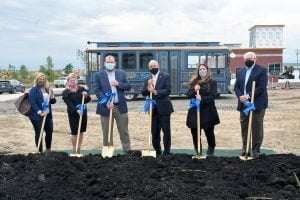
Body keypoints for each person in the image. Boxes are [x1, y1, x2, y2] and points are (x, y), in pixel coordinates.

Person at [94, 55, 131, 152]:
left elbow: (128, 86)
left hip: (120, 107)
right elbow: (97, 90)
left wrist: (119, 84)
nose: (110, 64)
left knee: (124, 132)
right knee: (106, 132)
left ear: (115, 63)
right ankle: (108, 151)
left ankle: (127, 151)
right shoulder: (98, 75)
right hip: (106, 108)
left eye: (111, 62)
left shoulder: (121, 73)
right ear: (104, 63)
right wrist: (106, 102)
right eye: (108, 62)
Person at [234, 52, 268, 158]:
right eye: (245, 59)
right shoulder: (240, 71)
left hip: (256, 103)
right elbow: (236, 87)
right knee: (244, 127)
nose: (247, 60)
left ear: (255, 59)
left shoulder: (261, 70)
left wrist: (248, 96)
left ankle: (255, 150)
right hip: (244, 104)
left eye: (249, 58)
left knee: (256, 127)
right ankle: (245, 149)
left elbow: (261, 87)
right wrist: (241, 96)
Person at [186, 64, 220, 156]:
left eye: (204, 69)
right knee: (195, 131)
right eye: (200, 69)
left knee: (209, 131)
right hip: (195, 110)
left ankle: (211, 148)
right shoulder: (194, 81)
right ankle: (198, 150)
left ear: (207, 70)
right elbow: (188, 94)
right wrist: (194, 90)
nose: (202, 70)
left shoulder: (212, 82)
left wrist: (202, 99)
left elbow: (213, 96)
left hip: (207, 111)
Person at [142, 60, 174, 155]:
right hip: (153, 109)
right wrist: (148, 86)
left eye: (154, 66)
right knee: (154, 132)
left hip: (164, 108)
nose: (153, 68)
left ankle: (167, 151)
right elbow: (143, 93)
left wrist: (156, 92)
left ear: (158, 66)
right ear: (149, 68)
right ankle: (157, 150)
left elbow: (168, 90)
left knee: (166, 131)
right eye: (151, 66)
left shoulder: (165, 76)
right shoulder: (147, 78)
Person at [62, 73, 91, 153]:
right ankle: (74, 148)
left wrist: (86, 95)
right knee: (74, 132)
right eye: (70, 81)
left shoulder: (82, 89)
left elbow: (88, 100)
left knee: (81, 131)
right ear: (68, 82)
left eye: (74, 80)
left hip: (82, 113)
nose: (72, 82)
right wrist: (76, 110)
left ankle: (79, 148)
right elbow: (68, 103)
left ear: (77, 81)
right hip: (73, 114)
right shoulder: (66, 92)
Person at [28, 73, 56, 152]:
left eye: (43, 79)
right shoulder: (34, 89)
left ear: (45, 80)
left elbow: (53, 102)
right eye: (40, 79)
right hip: (37, 116)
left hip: (48, 115)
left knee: (49, 132)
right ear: (37, 80)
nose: (42, 81)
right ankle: (40, 152)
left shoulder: (48, 89)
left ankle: (48, 150)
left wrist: (52, 95)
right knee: (39, 133)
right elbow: (33, 103)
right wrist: (40, 112)